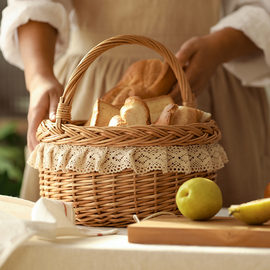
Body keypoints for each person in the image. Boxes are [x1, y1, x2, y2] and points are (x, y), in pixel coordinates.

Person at [1, 0, 270, 206]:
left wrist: (219, 47)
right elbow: (33, 3)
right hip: (91, 90)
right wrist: (39, 78)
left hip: (205, 84)